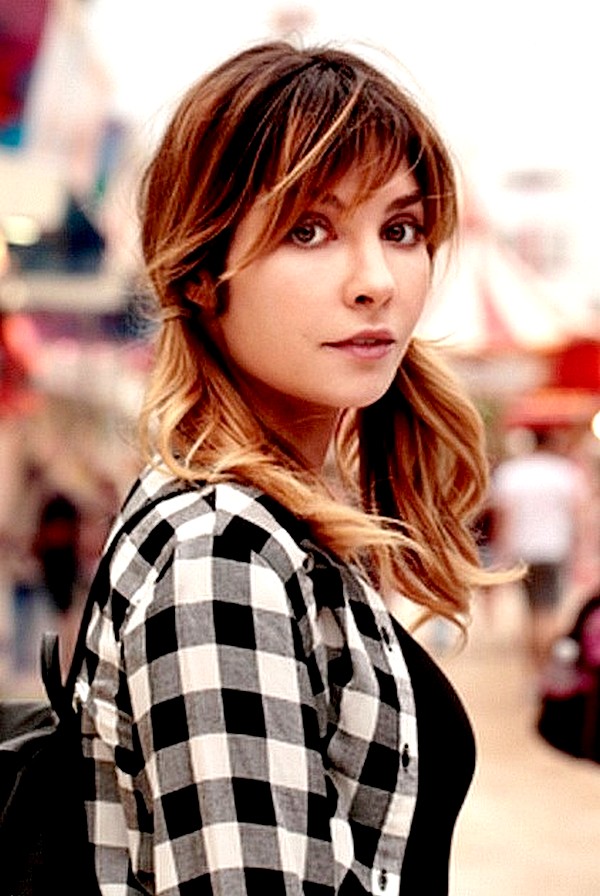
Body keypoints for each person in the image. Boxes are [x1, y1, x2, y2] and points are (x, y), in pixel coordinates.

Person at [78, 41, 501, 896]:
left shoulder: (280, 525)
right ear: (202, 273)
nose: (376, 281)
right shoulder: (220, 553)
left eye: (401, 230)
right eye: (309, 231)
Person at [491, 429, 586, 672]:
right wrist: (579, 552)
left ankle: (534, 665)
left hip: (522, 550)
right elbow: (577, 516)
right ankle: (545, 666)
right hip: (554, 549)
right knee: (548, 610)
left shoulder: (512, 472)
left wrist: (502, 553)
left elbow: (504, 518)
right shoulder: (564, 472)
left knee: (530, 609)